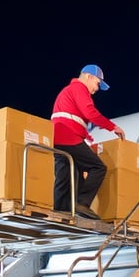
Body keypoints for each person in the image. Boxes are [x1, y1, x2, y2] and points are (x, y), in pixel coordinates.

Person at [51, 64, 125, 219]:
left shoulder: (68, 91)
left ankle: (61, 210)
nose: (97, 89)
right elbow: (90, 112)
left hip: (59, 137)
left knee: (66, 174)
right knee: (98, 167)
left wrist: (88, 137)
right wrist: (113, 127)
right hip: (68, 136)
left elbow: (76, 118)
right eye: (98, 83)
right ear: (89, 77)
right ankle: (82, 204)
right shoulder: (79, 88)